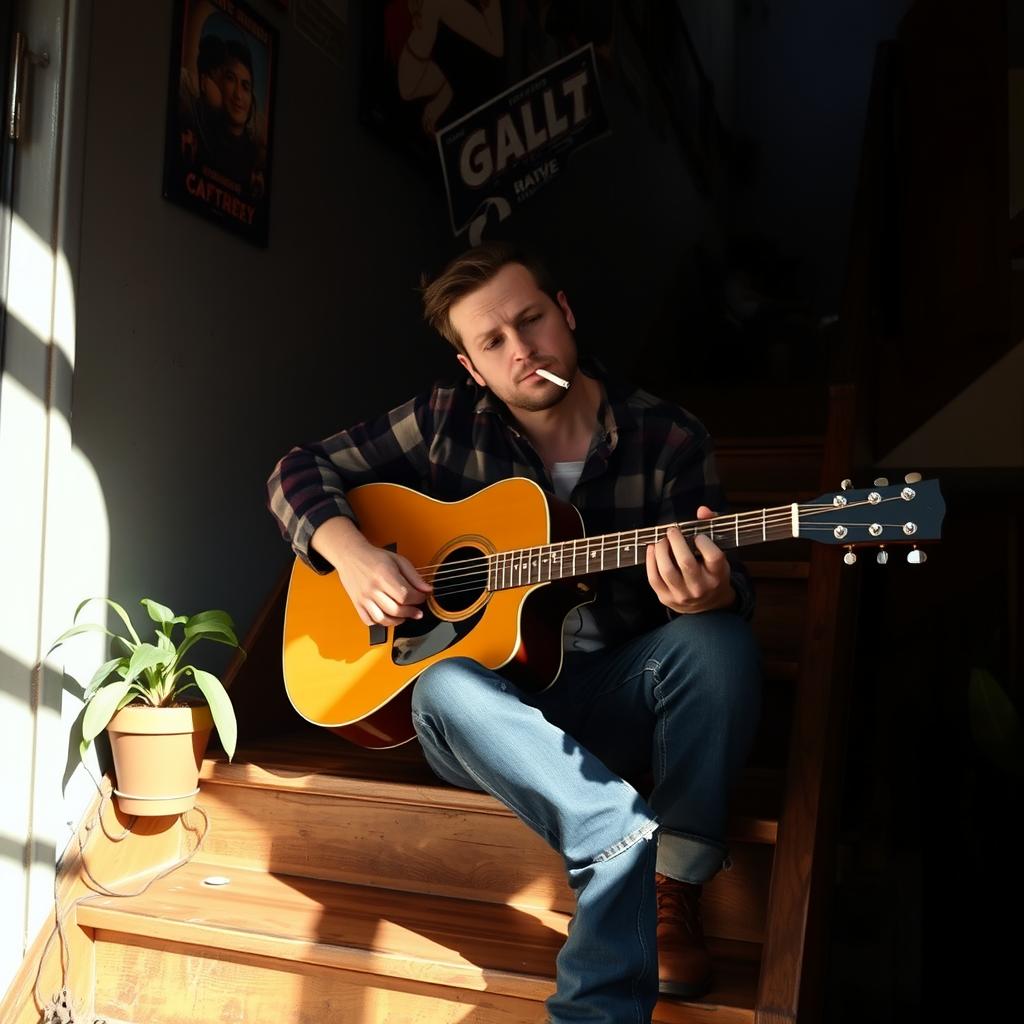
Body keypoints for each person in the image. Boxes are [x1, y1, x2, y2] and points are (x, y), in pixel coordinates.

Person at [266, 242, 762, 1023]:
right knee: (440, 681)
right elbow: (296, 470)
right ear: (470, 366)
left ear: (564, 312)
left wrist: (708, 596)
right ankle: (610, 827)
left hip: (613, 700)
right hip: (490, 721)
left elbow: (710, 613)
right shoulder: (444, 419)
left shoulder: (667, 438)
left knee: (720, 641)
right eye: (492, 342)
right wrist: (353, 553)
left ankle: (670, 882)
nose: (522, 351)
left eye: (531, 321)